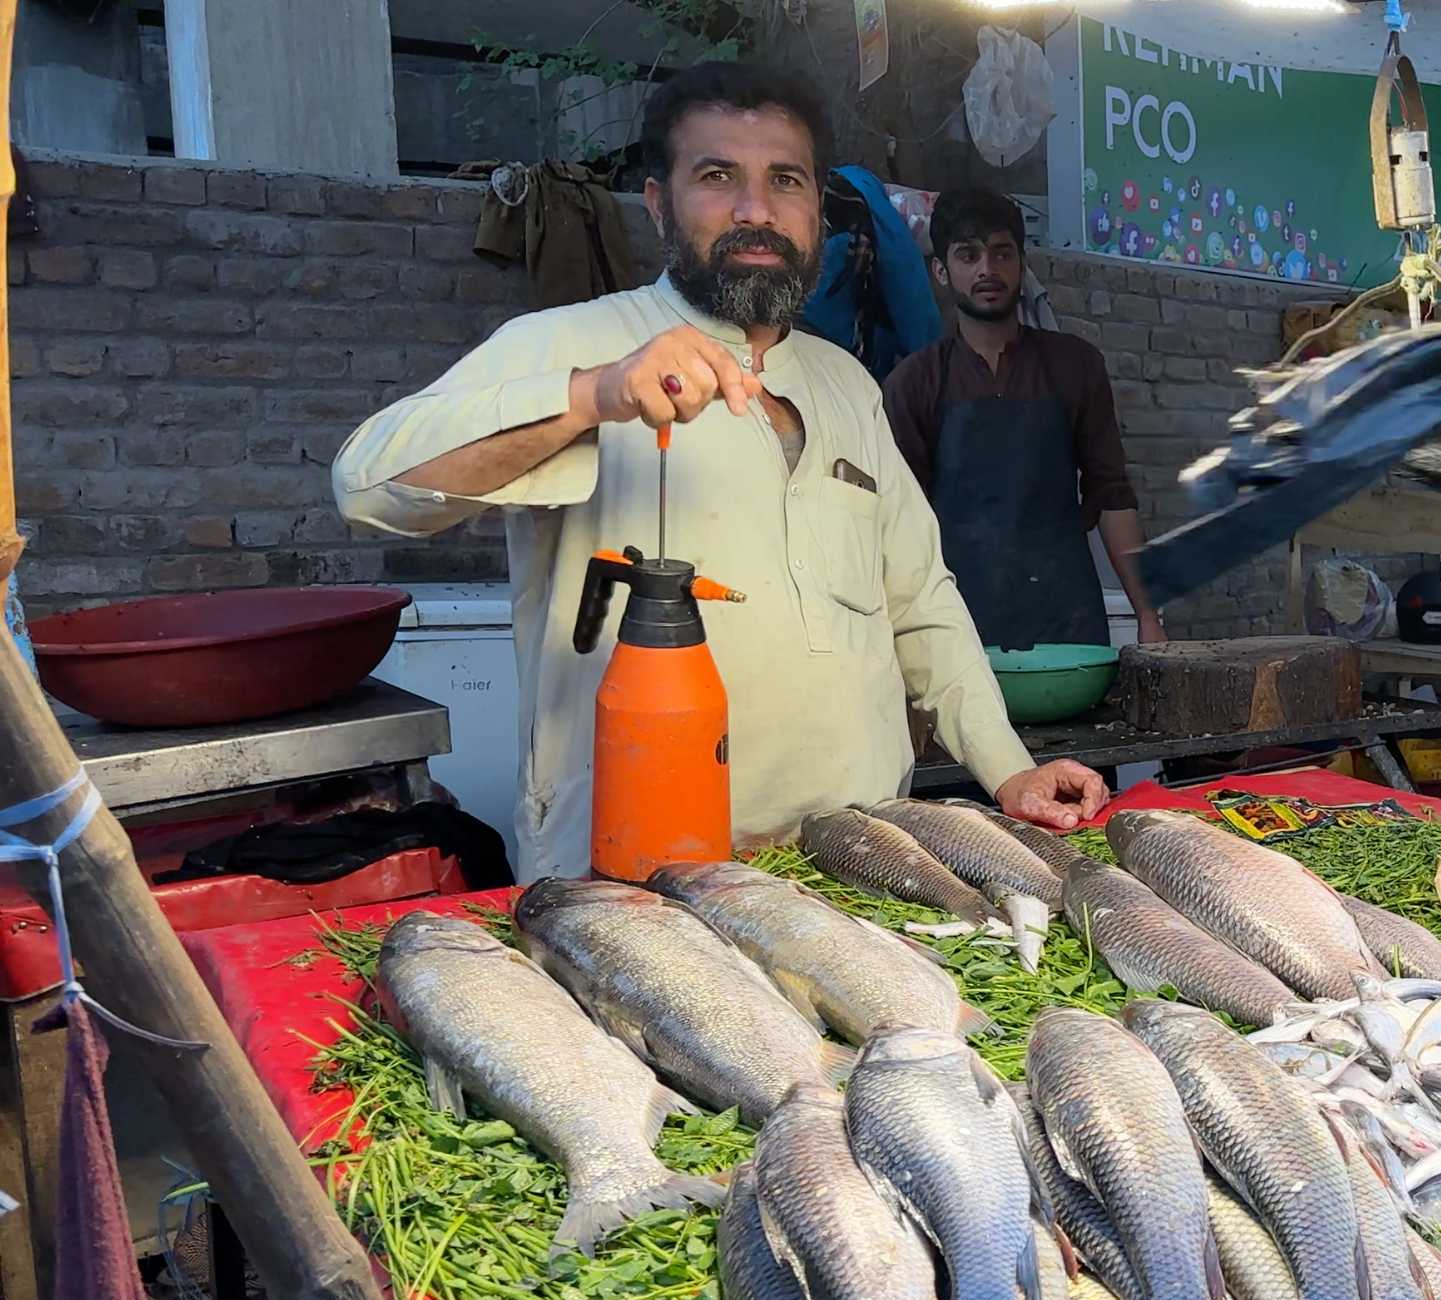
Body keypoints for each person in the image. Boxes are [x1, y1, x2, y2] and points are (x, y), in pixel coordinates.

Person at [332, 62, 1109, 880]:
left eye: (785, 181)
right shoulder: (573, 344)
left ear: (816, 211)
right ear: (659, 203)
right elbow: (369, 487)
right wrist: (595, 394)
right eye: (717, 177)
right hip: (637, 880)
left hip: (859, 865)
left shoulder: (845, 381)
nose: (755, 211)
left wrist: (1007, 766)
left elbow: (919, 601)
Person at [883, 188, 1166, 649]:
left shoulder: (1076, 365)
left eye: (1001, 253)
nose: (987, 271)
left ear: (1021, 264)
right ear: (940, 271)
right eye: (968, 255)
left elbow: (1112, 495)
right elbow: (896, 526)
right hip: (956, 632)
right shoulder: (912, 383)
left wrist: (1147, 615)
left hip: (1068, 624)